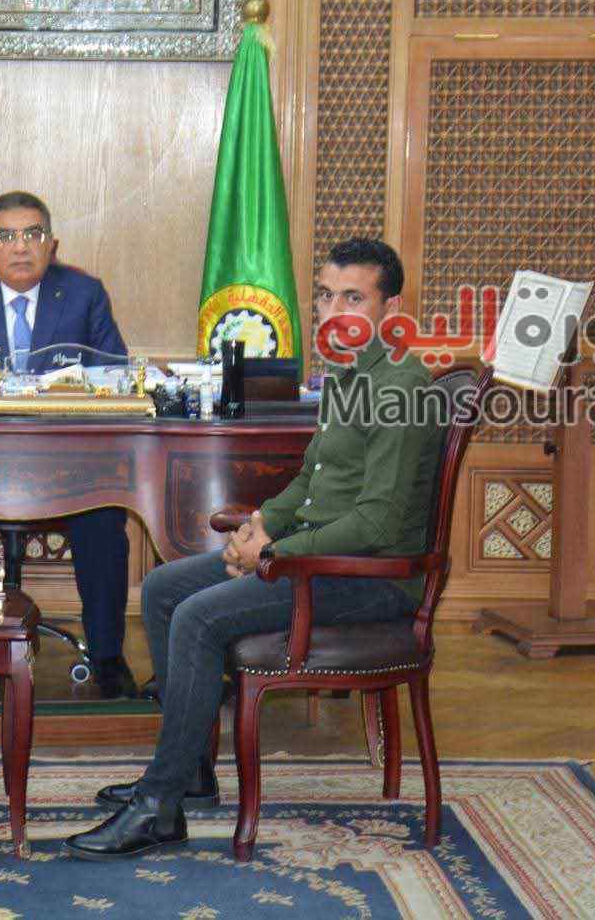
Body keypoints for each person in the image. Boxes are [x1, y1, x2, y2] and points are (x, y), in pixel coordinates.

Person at [63, 238, 443, 861]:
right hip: (315, 560)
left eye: (353, 298)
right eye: (326, 296)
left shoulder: (401, 387)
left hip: (368, 578)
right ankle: (191, 771)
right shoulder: (350, 374)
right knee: (163, 588)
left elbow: (377, 523)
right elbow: (313, 480)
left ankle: (159, 808)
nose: (334, 311)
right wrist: (261, 526)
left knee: (198, 616)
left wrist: (275, 551)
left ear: (391, 309)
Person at [0, 190, 136, 700]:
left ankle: (107, 657)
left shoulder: (83, 294)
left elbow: (117, 373)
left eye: (32, 234)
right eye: (6, 236)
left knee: (104, 519)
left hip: (67, 466)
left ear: (51, 244)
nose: (20, 247)